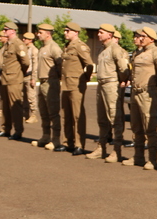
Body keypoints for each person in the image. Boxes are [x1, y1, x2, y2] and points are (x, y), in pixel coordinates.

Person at [124, 27, 157, 170]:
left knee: (149, 126)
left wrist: (154, 85)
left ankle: (152, 159)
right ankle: (138, 156)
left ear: (151, 38)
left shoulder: (156, 53)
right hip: (136, 92)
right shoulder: (139, 52)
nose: (140, 38)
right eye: (140, 36)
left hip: (147, 93)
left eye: (143, 36)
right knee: (136, 126)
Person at [88, 23, 129, 161]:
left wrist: (121, 81)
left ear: (109, 35)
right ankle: (102, 148)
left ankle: (116, 150)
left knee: (114, 117)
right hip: (101, 85)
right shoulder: (102, 50)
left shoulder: (115, 49)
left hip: (112, 85)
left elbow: (123, 68)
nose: (98, 34)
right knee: (102, 118)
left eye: (101, 32)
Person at [0, 21, 30, 140]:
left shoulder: (18, 44)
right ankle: (5, 129)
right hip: (5, 78)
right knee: (6, 106)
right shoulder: (7, 44)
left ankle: (18, 131)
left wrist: (19, 73)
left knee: (15, 105)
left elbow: (26, 62)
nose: (4, 31)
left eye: (6, 29)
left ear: (13, 31)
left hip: (14, 78)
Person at [61, 22, 94, 154]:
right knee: (66, 114)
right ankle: (67, 142)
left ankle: (79, 144)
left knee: (77, 115)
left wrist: (86, 76)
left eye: (67, 31)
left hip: (76, 85)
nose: (65, 33)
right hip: (66, 84)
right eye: (65, 30)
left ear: (76, 32)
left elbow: (89, 64)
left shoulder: (79, 46)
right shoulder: (67, 46)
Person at [31, 23, 64, 149]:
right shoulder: (43, 47)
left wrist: (58, 78)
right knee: (44, 111)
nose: (38, 34)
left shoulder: (53, 47)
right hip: (43, 82)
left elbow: (61, 64)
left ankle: (55, 140)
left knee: (53, 112)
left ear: (48, 34)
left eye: (40, 32)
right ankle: (45, 136)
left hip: (51, 82)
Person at [22, 32, 39, 124]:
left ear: (30, 40)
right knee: (23, 96)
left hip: (29, 75)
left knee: (31, 96)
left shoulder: (34, 50)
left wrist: (33, 78)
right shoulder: (24, 49)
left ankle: (33, 115)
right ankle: (25, 114)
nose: (23, 40)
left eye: (25, 38)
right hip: (23, 75)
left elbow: (35, 65)